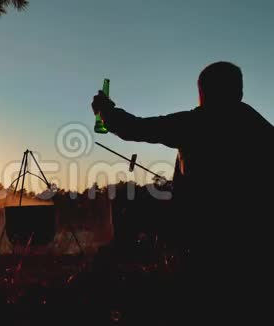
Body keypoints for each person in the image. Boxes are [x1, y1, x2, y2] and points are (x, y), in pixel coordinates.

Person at [91, 61, 273, 322]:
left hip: (199, 229)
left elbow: (136, 128)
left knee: (126, 201)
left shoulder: (196, 122)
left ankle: (124, 276)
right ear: (240, 92)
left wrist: (106, 111)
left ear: (203, 93)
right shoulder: (263, 129)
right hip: (254, 239)